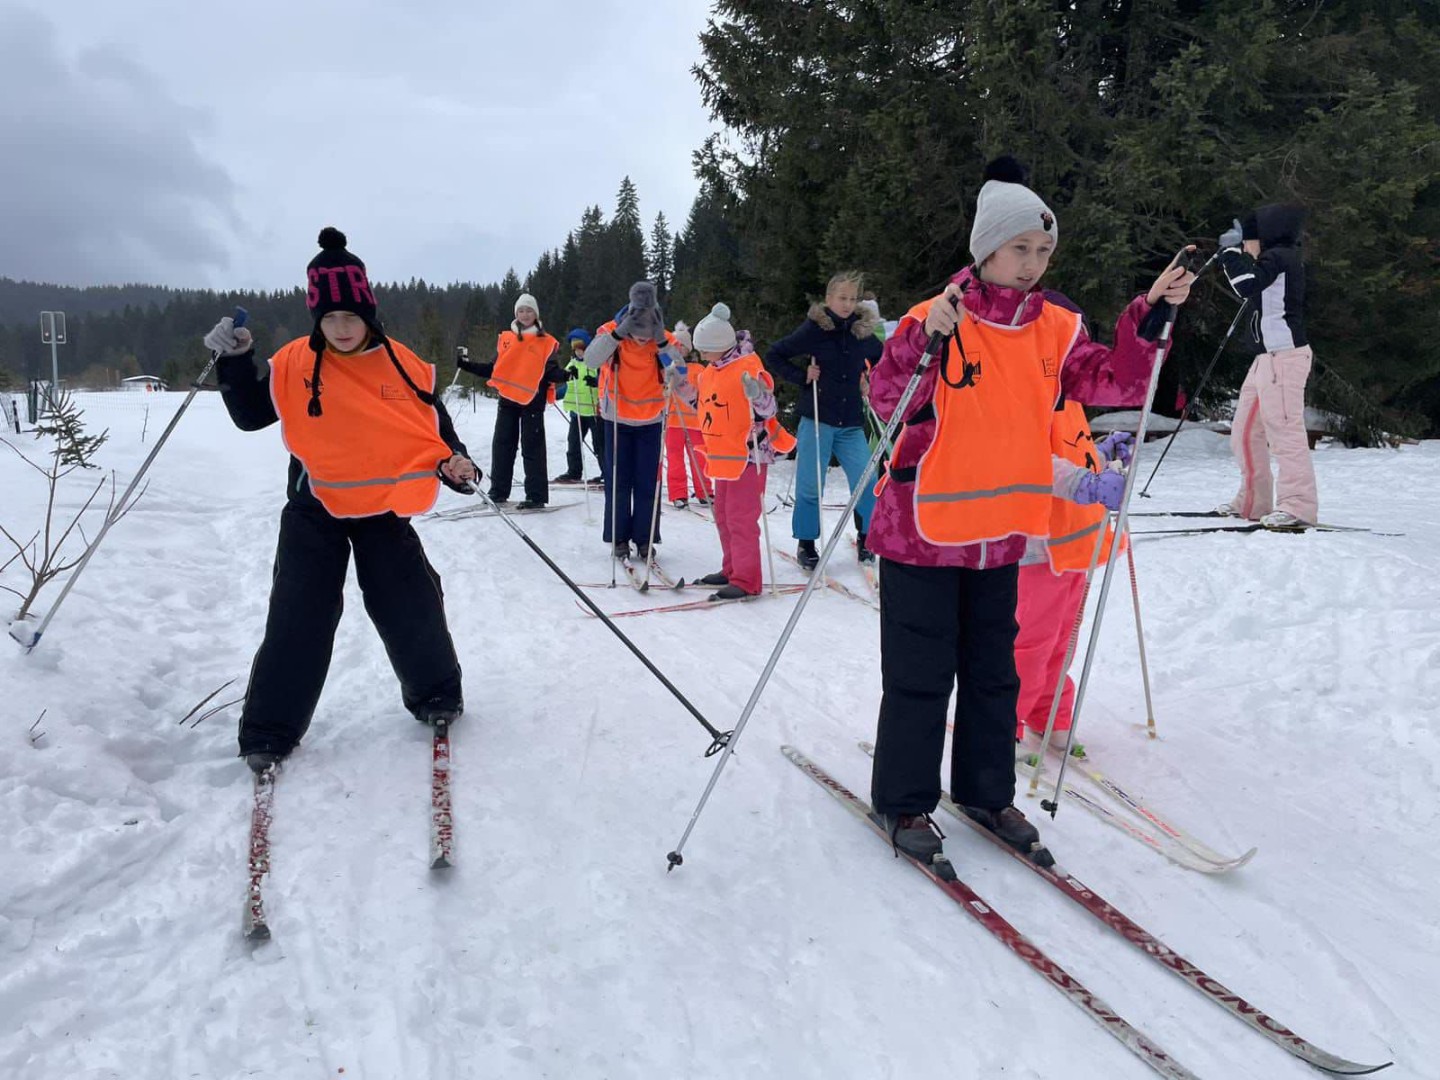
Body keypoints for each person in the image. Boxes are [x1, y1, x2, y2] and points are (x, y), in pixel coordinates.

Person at [864, 158, 1194, 870]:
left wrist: (1153, 313)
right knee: (920, 676)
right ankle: (904, 799)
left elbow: (1118, 380)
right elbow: (888, 402)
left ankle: (986, 792)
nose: (1033, 264)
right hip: (925, 529)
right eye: (1021, 249)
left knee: (995, 676)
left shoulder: (1057, 327)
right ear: (986, 249)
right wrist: (921, 344)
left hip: (1003, 534)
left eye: (1044, 252)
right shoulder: (937, 316)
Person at [203, 227, 480, 775]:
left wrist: (456, 464)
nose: (341, 328)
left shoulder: (401, 365)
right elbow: (251, 415)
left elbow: (436, 434)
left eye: (350, 316)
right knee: (298, 615)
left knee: (410, 602)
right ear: (316, 317)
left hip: (384, 507)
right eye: (329, 318)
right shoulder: (293, 364)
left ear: (368, 311)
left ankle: (436, 695)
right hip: (314, 510)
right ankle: (269, 730)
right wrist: (236, 362)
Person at [1014, 401, 1135, 743]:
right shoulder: (1031, 389)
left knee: (1062, 641)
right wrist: (1087, 483)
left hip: (1075, 544)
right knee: (1030, 645)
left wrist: (1099, 454)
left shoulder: (1069, 400)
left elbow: (1068, 449)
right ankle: (1005, 723)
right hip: (1040, 547)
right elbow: (1030, 462)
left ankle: (1050, 713)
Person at [668, 306, 796, 600]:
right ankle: (732, 569)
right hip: (722, 456)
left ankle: (747, 580)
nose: (700, 356)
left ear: (718, 346)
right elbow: (704, 404)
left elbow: (768, 409)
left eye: (703, 350)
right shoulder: (714, 370)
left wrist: (758, 394)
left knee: (740, 519)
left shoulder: (748, 366)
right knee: (724, 515)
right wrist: (681, 386)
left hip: (748, 456)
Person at [766, 271, 885, 568]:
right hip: (818, 418)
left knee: (867, 481)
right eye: (842, 298)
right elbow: (775, 354)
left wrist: (869, 377)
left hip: (851, 422)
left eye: (852, 298)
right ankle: (806, 544)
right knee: (810, 485)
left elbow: (883, 359)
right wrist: (802, 376)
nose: (847, 304)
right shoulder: (814, 329)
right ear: (829, 298)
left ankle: (866, 536)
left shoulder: (862, 331)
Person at [1214, 204, 1318, 528]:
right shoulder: (1270, 260)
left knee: (1285, 434)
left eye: (1249, 239)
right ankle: (1253, 502)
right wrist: (1233, 252)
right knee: (1244, 431)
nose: (1247, 246)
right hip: (1265, 360)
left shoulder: (1281, 257)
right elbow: (1251, 285)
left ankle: (1298, 506)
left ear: (1265, 237)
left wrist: (1230, 251)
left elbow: (1246, 284)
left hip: (1285, 358)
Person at [582, 281, 682, 561]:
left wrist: (661, 341)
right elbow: (590, 359)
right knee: (619, 482)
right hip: (617, 419)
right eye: (638, 335)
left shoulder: (662, 337)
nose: (641, 340)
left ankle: (645, 539)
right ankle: (619, 539)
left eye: (646, 335)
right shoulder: (610, 331)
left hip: (651, 420)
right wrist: (617, 335)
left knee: (648, 483)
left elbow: (680, 373)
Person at [458, 294, 565, 510]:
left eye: (529, 311)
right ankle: (498, 491)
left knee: (532, 448)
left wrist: (566, 374)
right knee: (502, 445)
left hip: (532, 400)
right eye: (521, 311)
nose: (525, 315)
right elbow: (494, 369)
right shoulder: (507, 339)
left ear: (536, 314)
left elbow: (551, 370)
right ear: (516, 314)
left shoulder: (545, 340)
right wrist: (466, 365)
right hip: (507, 400)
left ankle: (536, 496)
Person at [664, 321, 712, 509]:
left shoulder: (698, 369)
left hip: (695, 422)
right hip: (674, 421)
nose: (679, 349)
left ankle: (705, 491)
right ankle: (678, 493)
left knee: (700, 458)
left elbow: (704, 393)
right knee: (675, 459)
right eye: (675, 346)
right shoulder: (666, 368)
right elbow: (662, 393)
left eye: (682, 346)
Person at [553, 327, 605, 485]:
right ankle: (574, 472)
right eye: (576, 348)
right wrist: (553, 395)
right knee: (573, 443)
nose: (579, 352)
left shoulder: (596, 363)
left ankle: (607, 473)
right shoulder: (572, 364)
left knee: (600, 445)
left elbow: (606, 383)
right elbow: (568, 386)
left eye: (582, 348)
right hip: (577, 412)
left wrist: (596, 382)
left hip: (594, 413)